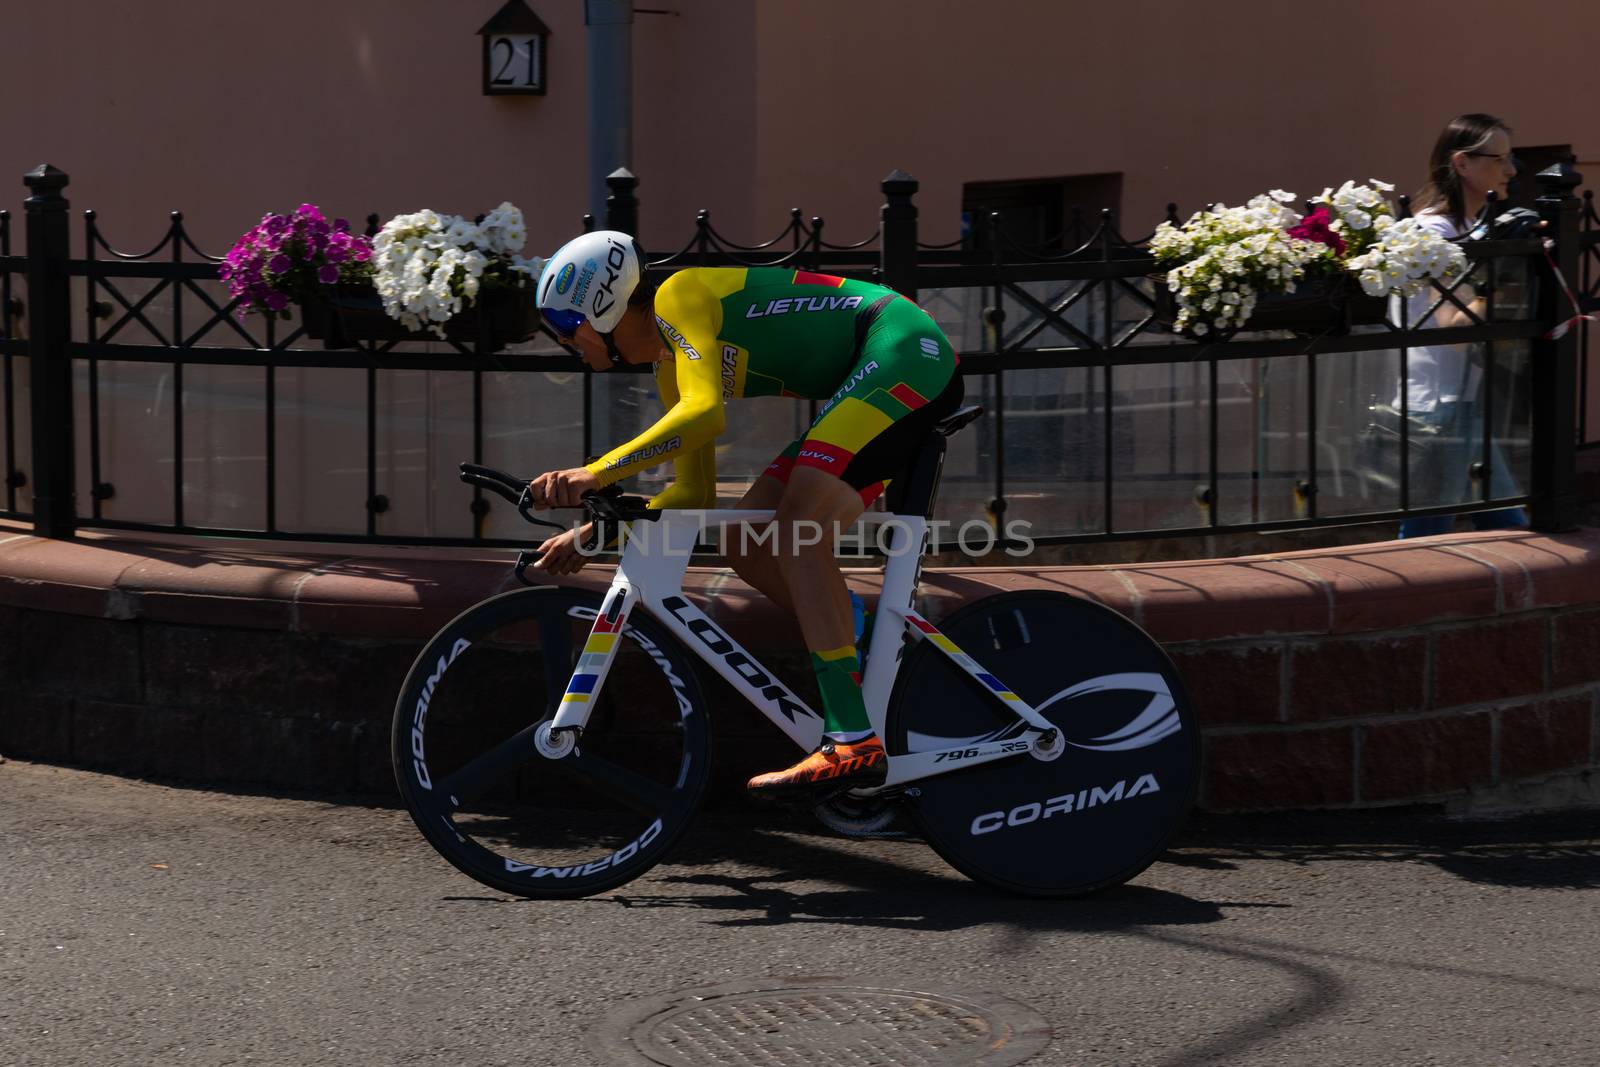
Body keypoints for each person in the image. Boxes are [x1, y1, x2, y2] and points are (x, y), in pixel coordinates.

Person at [524, 231, 962, 796]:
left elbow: (706, 416)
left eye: (566, 329)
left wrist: (597, 471)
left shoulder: (677, 297)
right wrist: (595, 531)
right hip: (876, 371)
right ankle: (875, 646)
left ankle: (852, 738)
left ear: (600, 308)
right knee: (746, 540)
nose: (568, 345)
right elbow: (694, 495)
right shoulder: (670, 364)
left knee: (795, 535)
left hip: (900, 346)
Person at [1395, 113, 1528, 538]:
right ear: (1462, 163)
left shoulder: (1470, 226)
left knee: (1507, 525)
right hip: (1438, 407)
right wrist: (1501, 278)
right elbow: (1453, 331)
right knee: (1424, 535)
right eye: (1499, 159)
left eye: (1512, 159)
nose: (1510, 170)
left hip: (1460, 404)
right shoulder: (1435, 232)